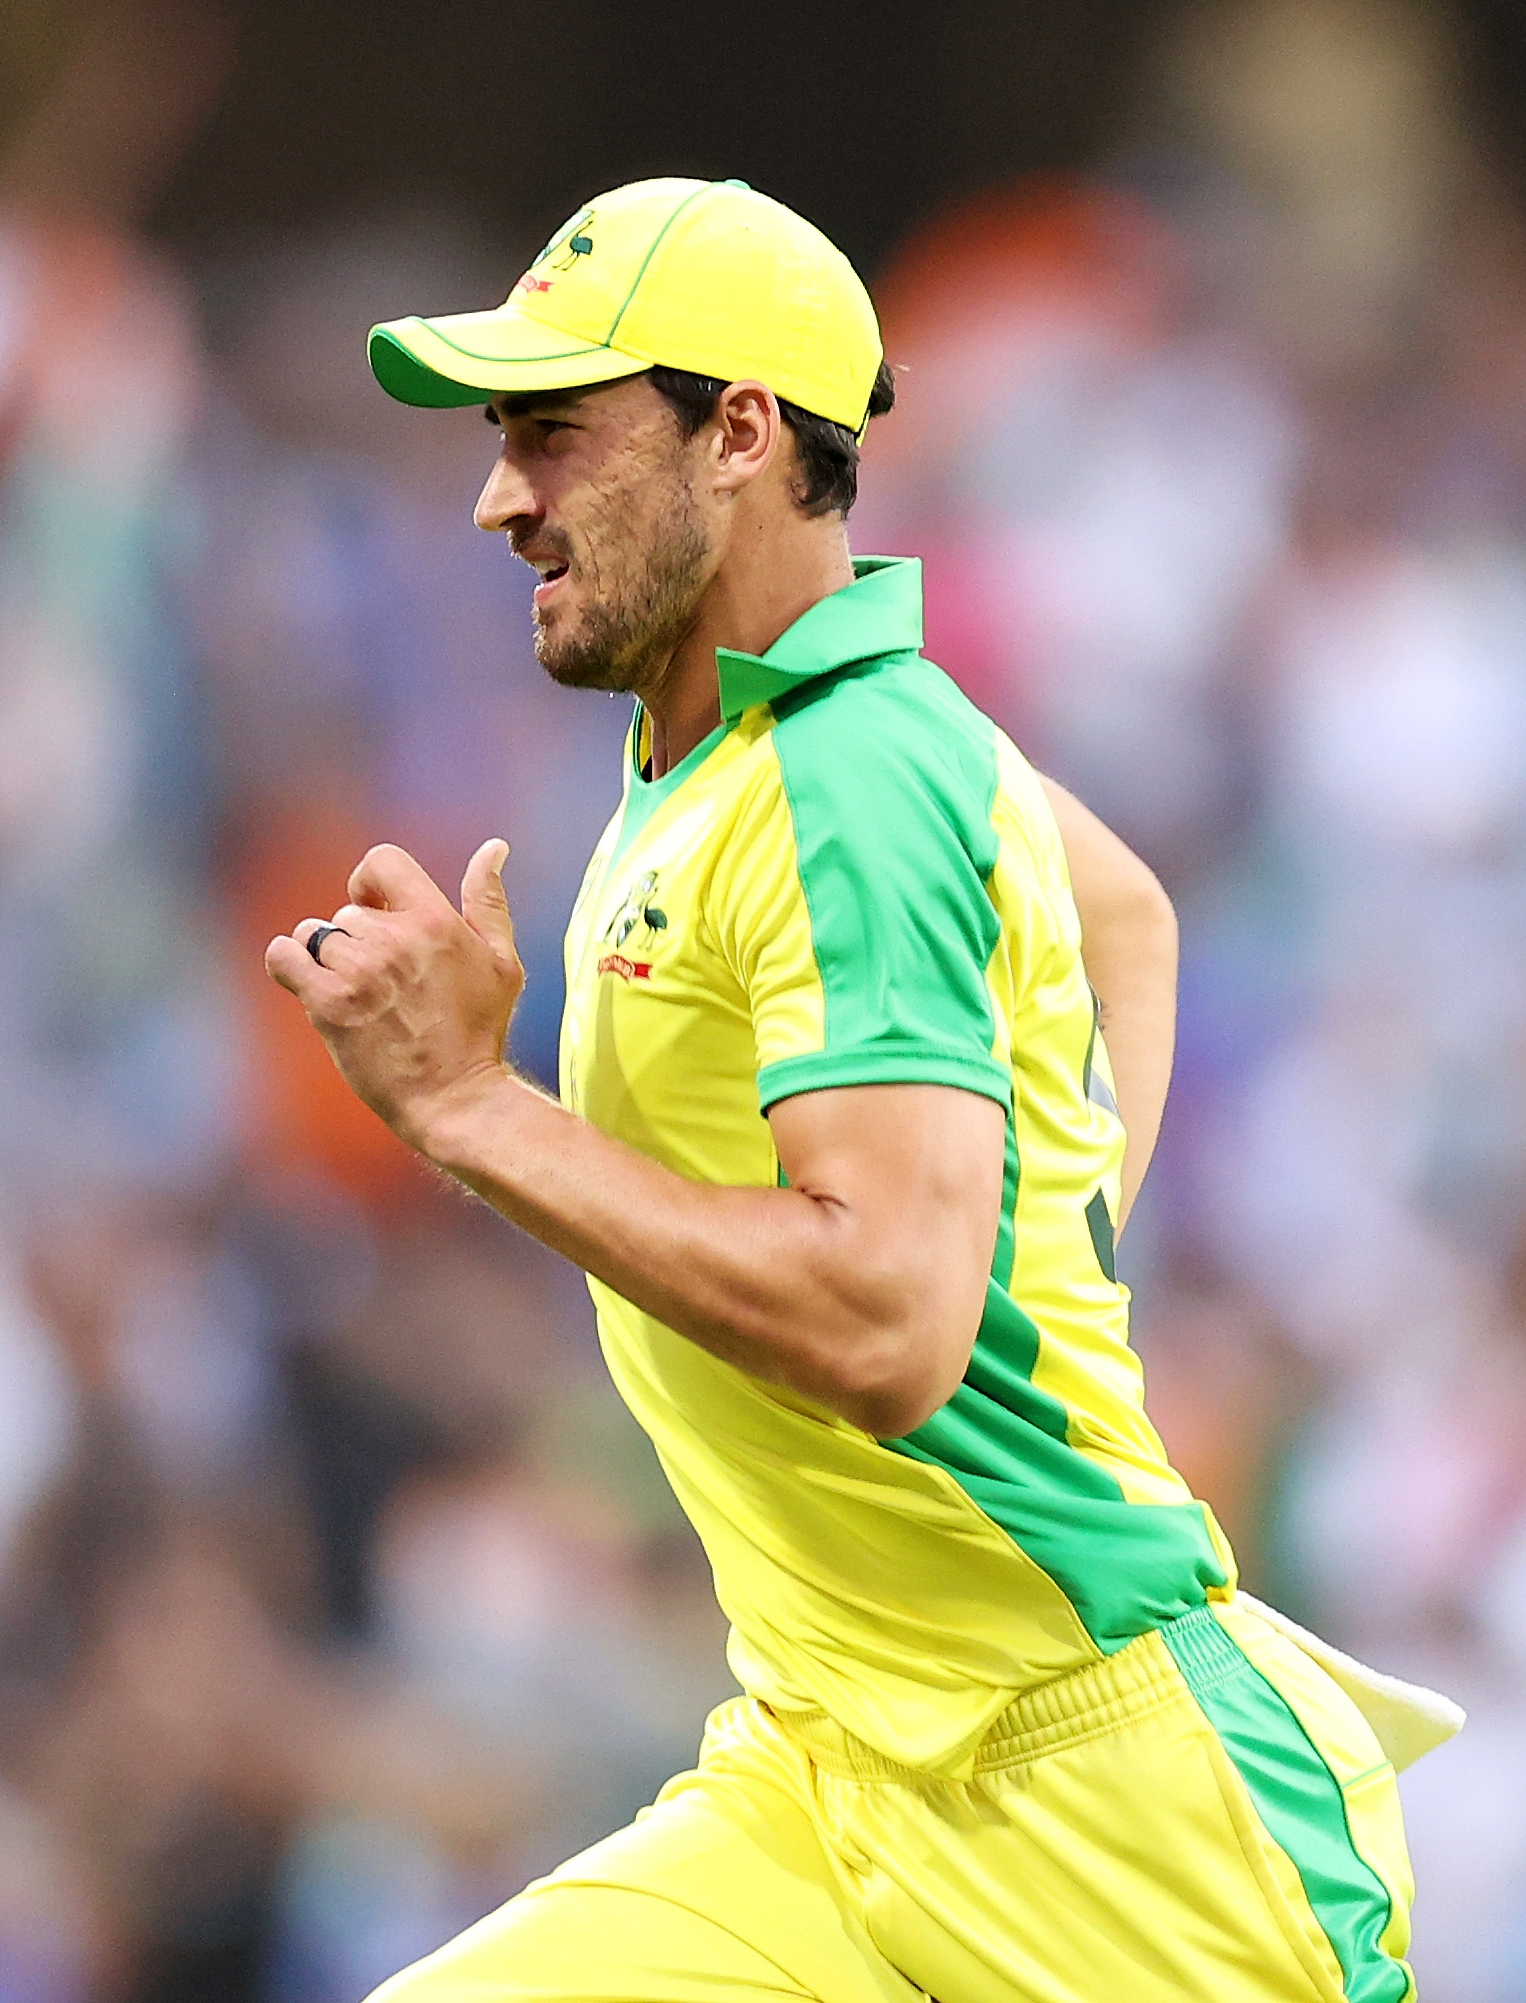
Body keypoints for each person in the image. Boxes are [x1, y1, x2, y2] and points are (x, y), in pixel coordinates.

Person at [265, 176, 1456, 2003]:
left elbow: (895, 1326)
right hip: (830, 1773)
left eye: (556, 436)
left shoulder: (851, 771)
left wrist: (474, 1109)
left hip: (1117, 1832)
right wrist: (1047, 1244)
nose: (502, 498)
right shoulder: (780, 735)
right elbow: (1122, 912)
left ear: (739, 430)